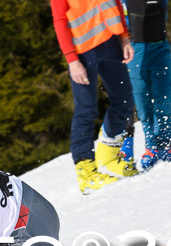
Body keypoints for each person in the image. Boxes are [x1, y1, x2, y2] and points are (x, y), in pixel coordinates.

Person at [50, 0, 138, 195]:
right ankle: (86, 173)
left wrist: (124, 37)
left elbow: (116, 3)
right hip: (82, 52)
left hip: (111, 42)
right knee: (86, 109)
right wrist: (72, 60)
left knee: (124, 99)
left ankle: (110, 156)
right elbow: (60, 21)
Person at [122, 0, 171, 170]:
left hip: (159, 47)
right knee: (142, 99)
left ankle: (168, 143)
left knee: (165, 95)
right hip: (134, 49)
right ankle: (151, 146)